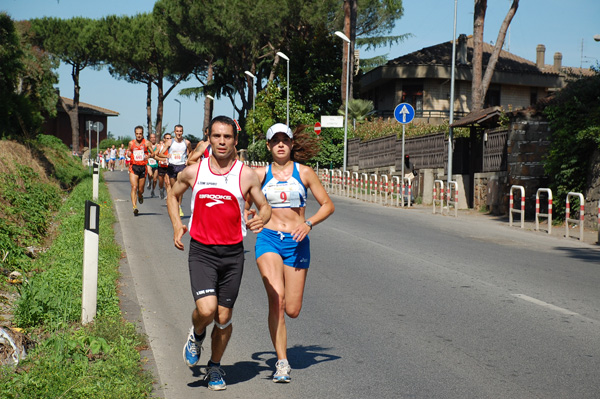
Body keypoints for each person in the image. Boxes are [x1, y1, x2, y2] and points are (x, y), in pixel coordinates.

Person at [167, 115, 271, 391]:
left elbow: (265, 205)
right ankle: (197, 333)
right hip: (202, 251)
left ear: (235, 141)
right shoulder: (194, 171)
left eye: (227, 137)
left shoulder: (245, 174)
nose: (222, 142)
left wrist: (263, 217)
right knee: (207, 309)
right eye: (216, 136)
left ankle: (214, 366)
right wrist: (178, 223)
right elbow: (172, 194)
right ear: (208, 138)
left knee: (224, 317)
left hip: (233, 254)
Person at [250, 123, 334, 383]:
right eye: (275, 141)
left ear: (292, 144)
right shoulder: (259, 174)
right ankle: (282, 362)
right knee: (277, 300)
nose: (280, 145)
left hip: (297, 243)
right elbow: (241, 199)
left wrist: (309, 224)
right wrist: (248, 215)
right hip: (269, 239)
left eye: (285, 140)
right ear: (268, 146)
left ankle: (283, 352)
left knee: (293, 309)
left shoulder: (305, 173)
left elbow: (327, 205)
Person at [159, 124, 192, 216]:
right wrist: (166, 156)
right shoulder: (170, 142)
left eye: (180, 131)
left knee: (180, 187)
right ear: (174, 132)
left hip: (181, 166)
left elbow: (191, 152)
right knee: (175, 189)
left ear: (182, 132)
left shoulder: (186, 142)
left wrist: (188, 159)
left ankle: (179, 206)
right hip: (172, 166)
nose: (179, 133)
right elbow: (161, 153)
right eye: (177, 131)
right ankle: (176, 205)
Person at [127, 125, 155, 216]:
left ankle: (140, 195)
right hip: (133, 167)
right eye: (137, 134)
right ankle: (134, 207)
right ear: (135, 134)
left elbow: (153, 153)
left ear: (142, 134)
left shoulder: (147, 143)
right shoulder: (131, 143)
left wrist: (149, 156)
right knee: (134, 187)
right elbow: (128, 152)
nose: (138, 135)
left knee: (140, 190)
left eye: (140, 134)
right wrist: (128, 153)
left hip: (143, 168)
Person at [155, 133, 171, 200]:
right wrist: (161, 159)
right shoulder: (160, 146)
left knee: (167, 182)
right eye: (167, 138)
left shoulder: (172, 146)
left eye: (170, 138)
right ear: (164, 139)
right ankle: (161, 190)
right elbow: (154, 155)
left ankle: (169, 197)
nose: (169, 140)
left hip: (169, 166)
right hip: (161, 166)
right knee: (161, 182)